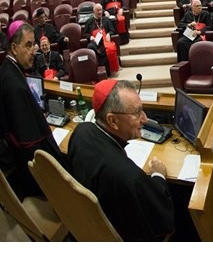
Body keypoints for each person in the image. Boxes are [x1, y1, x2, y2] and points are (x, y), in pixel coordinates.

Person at [67, 80, 174, 241]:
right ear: (112, 121)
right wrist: (158, 175)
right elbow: (164, 220)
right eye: (137, 113)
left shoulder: (81, 130)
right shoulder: (129, 177)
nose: (144, 119)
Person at [0, 21, 65, 199]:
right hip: (31, 174)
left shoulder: (7, 68)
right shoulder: (15, 85)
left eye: (34, 44)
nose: (33, 51)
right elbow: (29, 142)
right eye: (28, 45)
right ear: (14, 48)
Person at [84, 3, 119, 76]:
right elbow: (85, 34)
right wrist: (90, 37)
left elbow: (112, 30)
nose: (100, 12)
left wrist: (109, 34)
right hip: (95, 41)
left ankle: (108, 70)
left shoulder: (106, 19)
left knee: (110, 48)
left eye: (100, 10)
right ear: (94, 11)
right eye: (98, 10)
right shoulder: (89, 21)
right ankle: (97, 69)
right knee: (90, 47)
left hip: (105, 40)